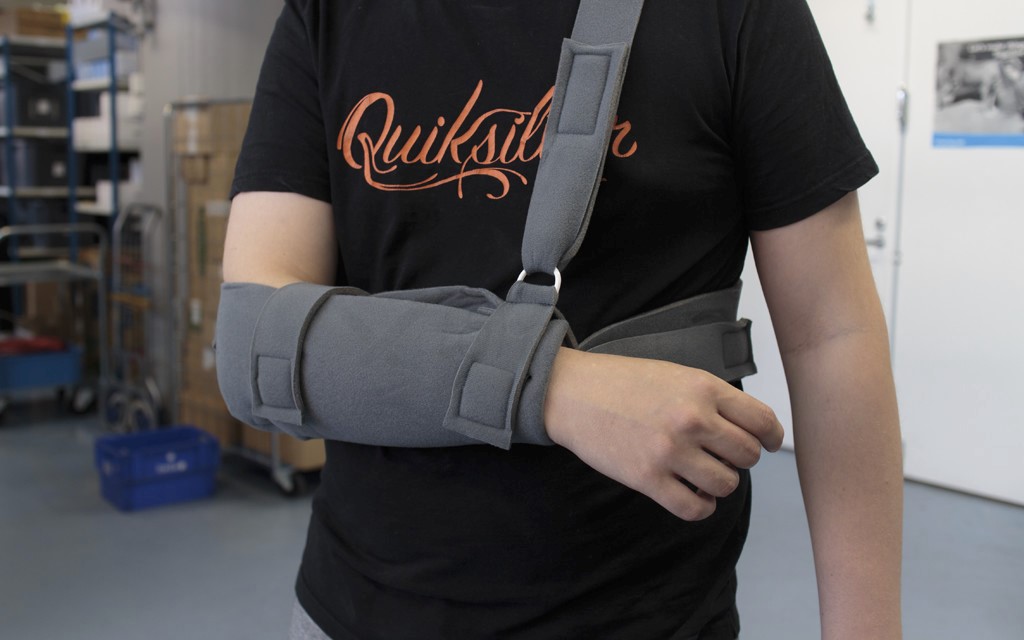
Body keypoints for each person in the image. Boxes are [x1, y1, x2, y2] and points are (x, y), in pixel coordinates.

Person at [221, 0, 903, 638]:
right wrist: (553, 389)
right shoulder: (329, 12)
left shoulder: (733, 12)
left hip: (653, 614)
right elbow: (256, 342)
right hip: (357, 608)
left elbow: (831, 335)